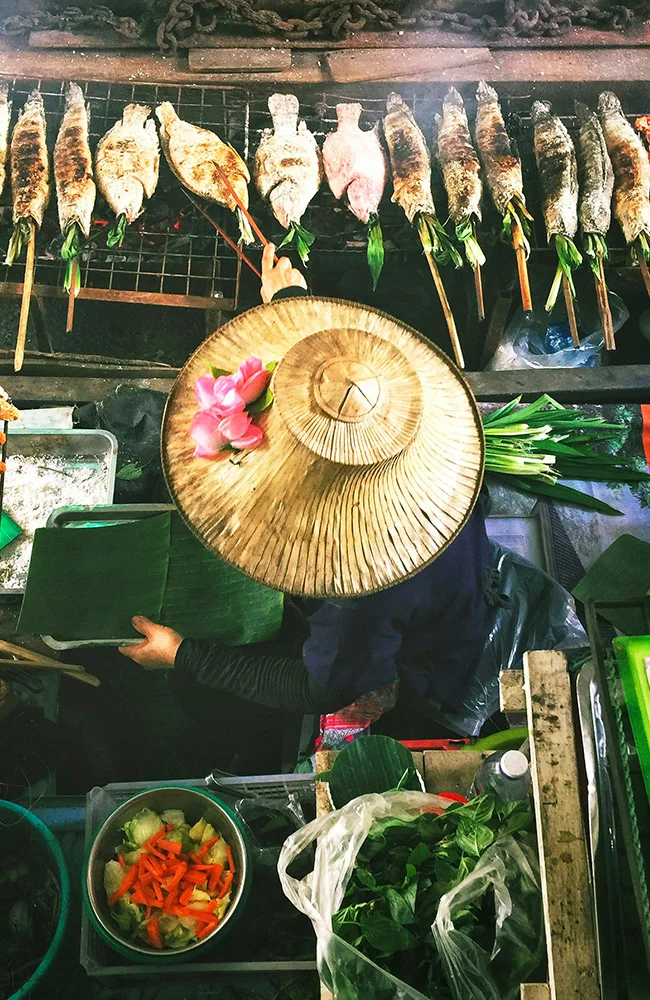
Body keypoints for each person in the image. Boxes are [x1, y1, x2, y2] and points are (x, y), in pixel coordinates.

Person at [120, 244, 496, 743]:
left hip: (439, 650)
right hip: (449, 565)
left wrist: (183, 655)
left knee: (212, 702)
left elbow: (314, 689)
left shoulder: (356, 588)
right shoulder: (402, 406)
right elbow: (342, 388)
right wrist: (292, 300)